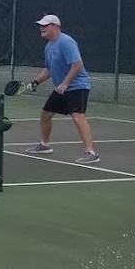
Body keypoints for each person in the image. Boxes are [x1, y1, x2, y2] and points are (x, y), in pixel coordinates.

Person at [24, 14, 98, 164]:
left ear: (56, 27)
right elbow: (48, 70)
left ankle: (91, 153)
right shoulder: (48, 47)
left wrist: (65, 83)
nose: (41, 28)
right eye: (41, 25)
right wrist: (36, 82)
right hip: (61, 88)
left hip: (77, 86)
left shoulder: (66, 42)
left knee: (77, 116)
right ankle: (44, 145)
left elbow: (77, 65)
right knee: (45, 114)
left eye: (45, 25)